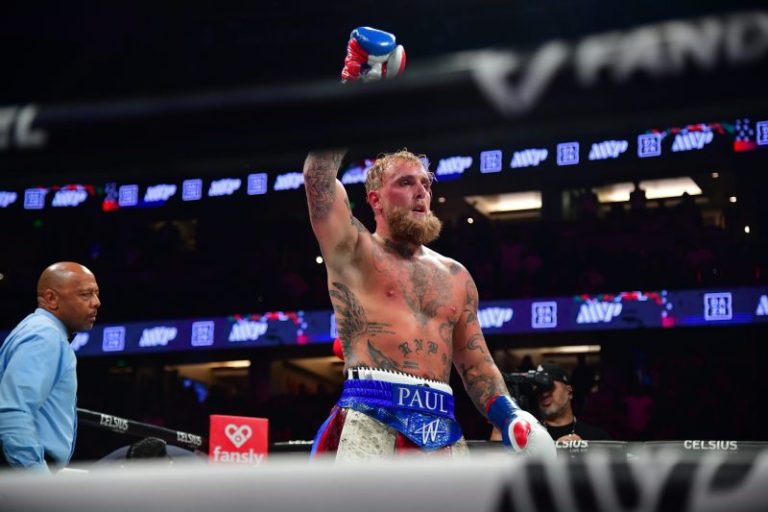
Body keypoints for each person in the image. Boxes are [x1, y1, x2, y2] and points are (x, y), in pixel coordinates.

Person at [307, 27, 555, 461]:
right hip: (370, 413)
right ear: (375, 200)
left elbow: (474, 363)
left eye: (426, 183)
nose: (422, 191)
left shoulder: (455, 276)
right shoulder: (353, 250)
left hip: (442, 425)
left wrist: (511, 416)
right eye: (406, 183)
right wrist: (352, 92)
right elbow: (318, 179)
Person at [0, 262, 100, 471]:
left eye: (96, 294)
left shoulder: (38, 330)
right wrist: (37, 479)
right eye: (85, 295)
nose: (96, 302)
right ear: (51, 299)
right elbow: (12, 411)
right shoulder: (45, 336)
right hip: (23, 468)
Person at [535, 363, 611, 442]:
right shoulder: (531, 438)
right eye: (539, 389)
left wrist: (586, 449)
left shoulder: (597, 438)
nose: (544, 394)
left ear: (569, 392)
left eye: (549, 386)